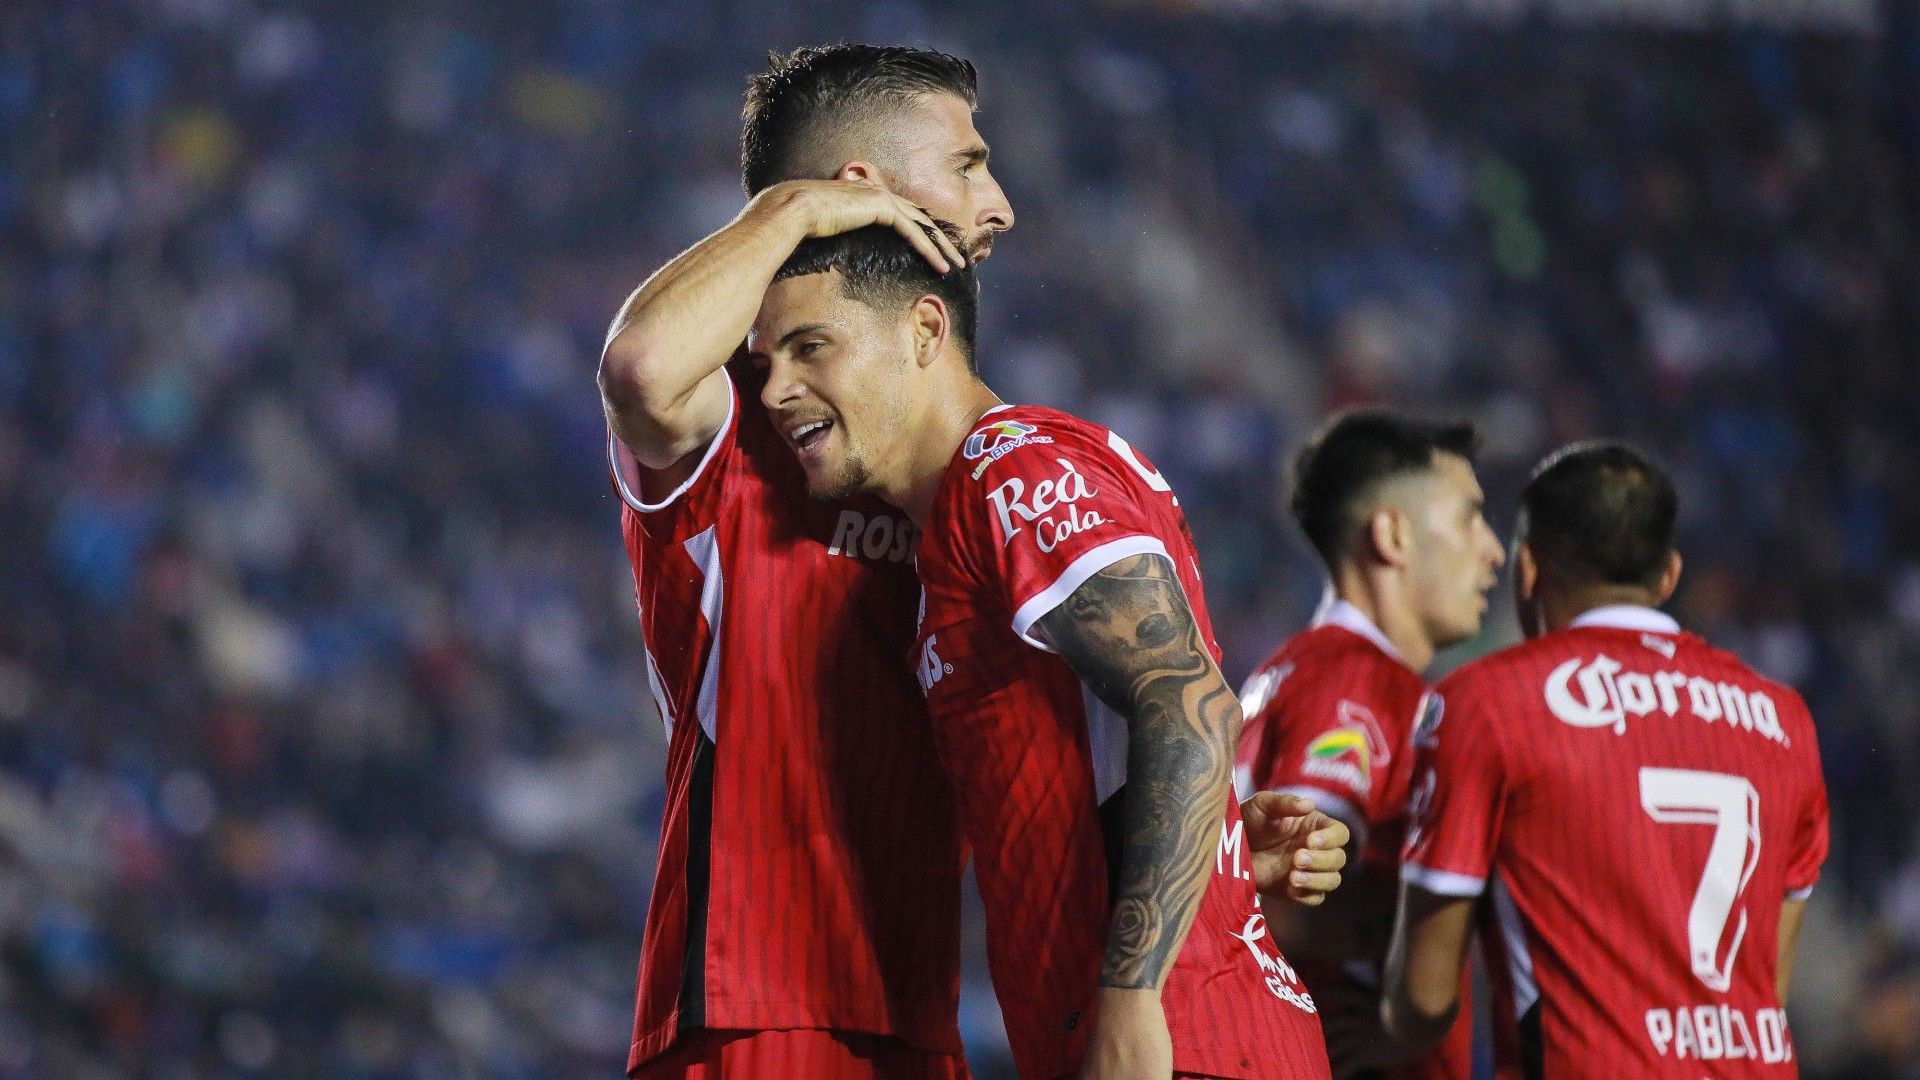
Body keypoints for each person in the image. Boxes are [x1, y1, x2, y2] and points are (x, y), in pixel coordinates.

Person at [746, 222, 1348, 1079]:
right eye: (766, 363)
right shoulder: (989, 506)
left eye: (811, 347)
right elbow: (1114, 757)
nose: (777, 390)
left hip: (1181, 1043)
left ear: (924, 330)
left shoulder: (1009, 472)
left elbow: (1189, 701)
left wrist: (1132, 1001)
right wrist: (1225, 852)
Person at [595, 45, 1010, 1079]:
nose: (996, 207)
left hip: (918, 1022)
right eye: (966, 165)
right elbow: (642, 373)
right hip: (756, 1013)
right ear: (853, 187)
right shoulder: (736, 406)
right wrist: (788, 213)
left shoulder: (969, 454)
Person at [1381, 443, 1830, 1076]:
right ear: (1669, 576)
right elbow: (1763, 987)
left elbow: (1423, 999)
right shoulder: (1786, 722)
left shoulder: (1486, 706)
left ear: (1528, 569)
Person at [1233, 411, 1501, 1079]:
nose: (1493, 549)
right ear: (1393, 534)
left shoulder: (1296, 670)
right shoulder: (1356, 684)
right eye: (1470, 519)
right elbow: (1287, 895)